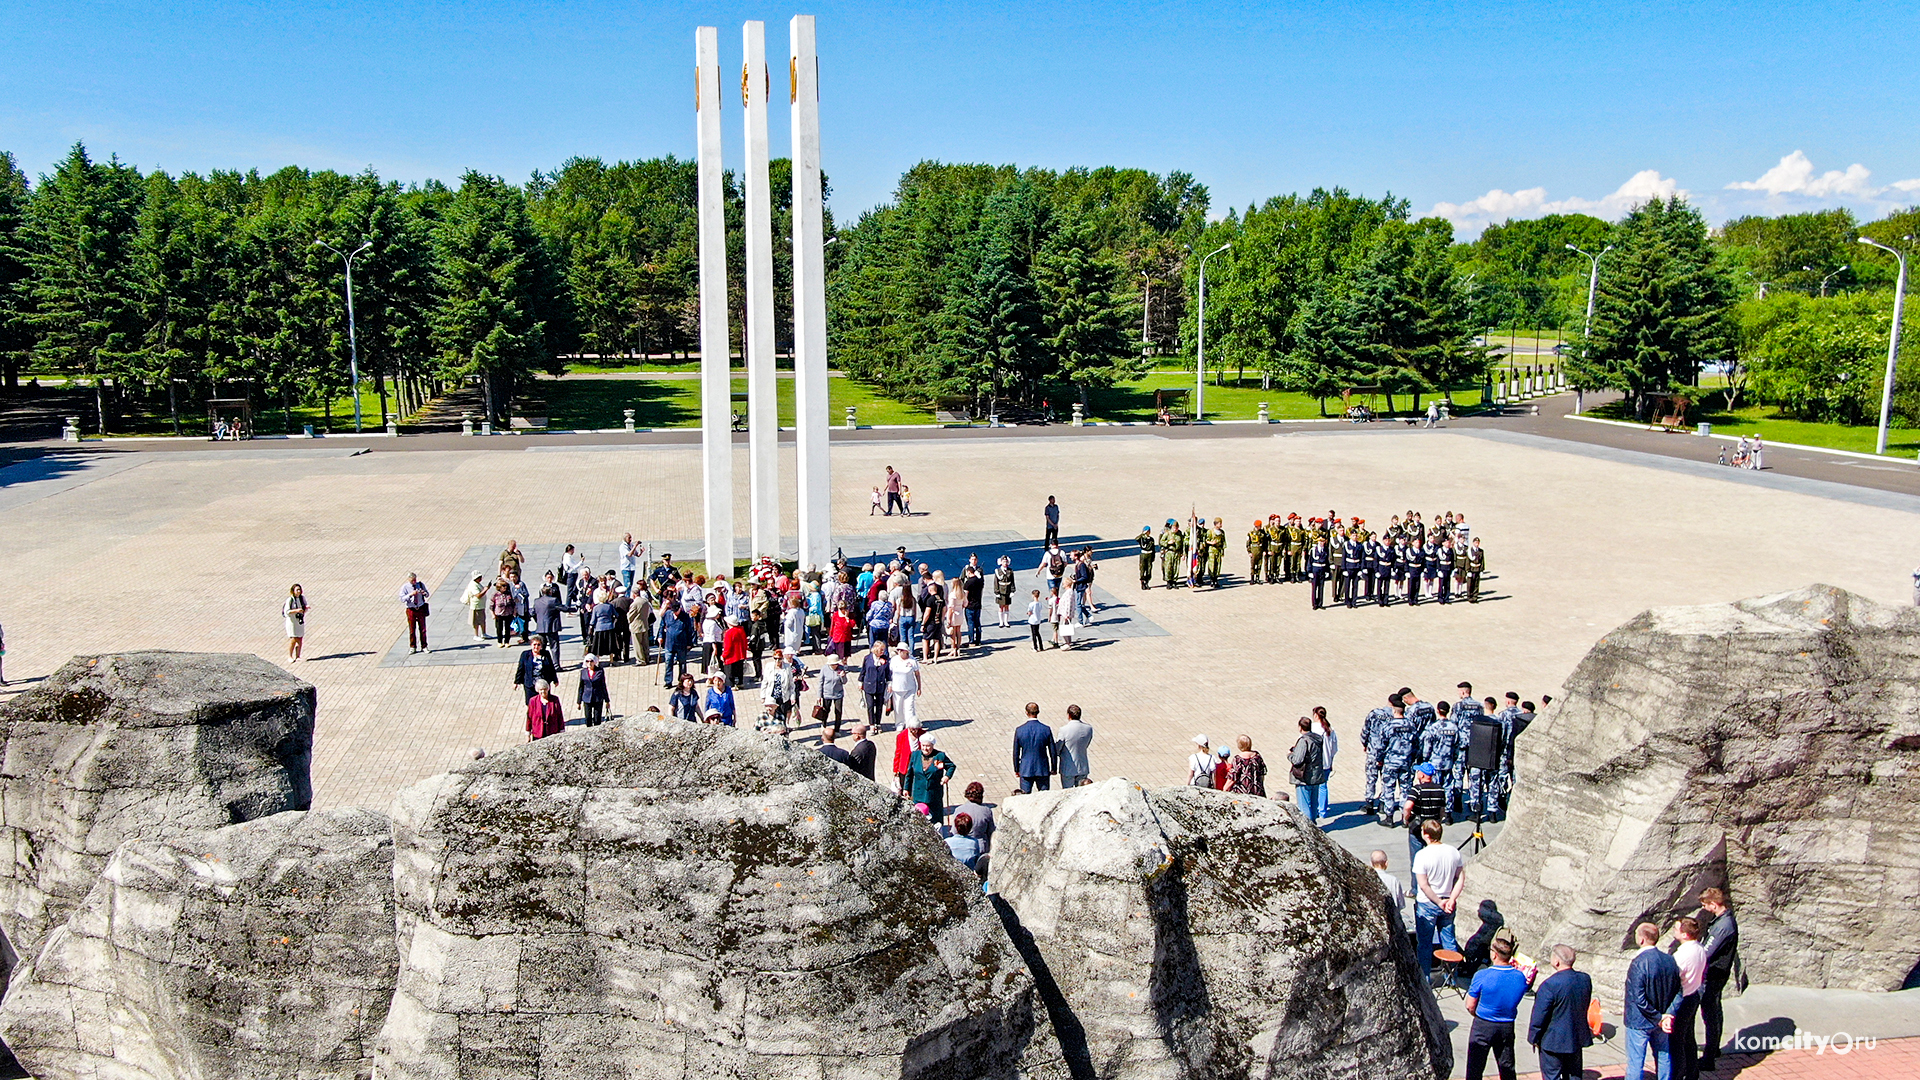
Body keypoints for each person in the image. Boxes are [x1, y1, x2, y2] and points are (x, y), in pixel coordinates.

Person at [1465, 937, 1530, 1080]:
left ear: (1494, 954)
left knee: (1474, 1068)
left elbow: (1470, 1004)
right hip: (1506, 1025)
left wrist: (1475, 1013)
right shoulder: (1520, 977)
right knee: (1507, 1067)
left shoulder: (1482, 975)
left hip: (1483, 1024)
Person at [1625, 921, 1682, 1080]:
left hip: (1640, 1021)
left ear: (1642, 940)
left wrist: (1657, 1017)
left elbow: (1638, 998)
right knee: (1663, 1055)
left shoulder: (1638, 963)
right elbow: (1679, 991)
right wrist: (1667, 1014)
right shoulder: (1669, 960)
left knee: (1636, 1061)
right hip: (1662, 1018)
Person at [1528, 944, 1594, 1080]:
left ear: (1556, 961)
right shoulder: (1585, 979)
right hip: (1575, 1038)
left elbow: (1539, 1016)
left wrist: (1534, 1037)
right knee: (1574, 1075)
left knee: (1552, 1076)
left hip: (1553, 1042)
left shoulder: (1550, 985)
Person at [1412, 818, 1464, 981]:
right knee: (1449, 940)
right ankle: (1452, 977)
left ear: (1426, 834)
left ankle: (1424, 979)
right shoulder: (1453, 852)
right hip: (1448, 901)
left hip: (1428, 903)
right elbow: (1460, 878)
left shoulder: (1422, 855)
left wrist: (1438, 901)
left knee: (1425, 944)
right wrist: (1451, 899)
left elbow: (1424, 885)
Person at [1697, 888, 1738, 1072]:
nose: (1705, 909)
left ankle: (1709, 1057)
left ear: (1714, 904)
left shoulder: (1723, 926)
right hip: (1718, 973)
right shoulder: (1723, 920)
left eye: (1706, 905)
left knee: (1710, 1014)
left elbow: (1707, 951)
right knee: (1715, 1010)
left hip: (1714, 975)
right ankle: (1714, 1048)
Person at [1668, 917, 1707, 1080]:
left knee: (1676, 1042)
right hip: (1693, 996)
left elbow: (1674, 979)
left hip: (1682, 1000)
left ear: (1684, 934)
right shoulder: (1700, 948)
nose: (1674, 931)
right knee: (1689, 1037)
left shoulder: (1681, 955)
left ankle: (1677, 1075)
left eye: (1676, 929)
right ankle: (1692, 1072)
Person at [1404, 764, 1450, 865]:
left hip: (1417, 827)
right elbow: (1442, 809)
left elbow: (1408, 806)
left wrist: (1406, 818)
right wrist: (1438, 821)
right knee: (1433, 859)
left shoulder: (1417, 789)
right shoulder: (1440, 790)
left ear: (1422, 775)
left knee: (1417, 862)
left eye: (1418, 772)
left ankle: (1417, 880)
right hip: (1432, 827)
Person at [908, 733, 957, 822]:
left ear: (932, 746)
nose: (925, 748)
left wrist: (947, 776)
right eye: (923, 745)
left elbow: (951, 766)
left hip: (934, 795)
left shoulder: (940, 756)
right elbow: (909, 774)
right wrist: (906, 789)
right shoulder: (915, 755)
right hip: (919, 795)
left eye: (928, 746)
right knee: (919, 820)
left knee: (935, 820)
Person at [1013, 703, 1057, 793]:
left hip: (1025, 769)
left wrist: (1017, 769)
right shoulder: (1046, 729)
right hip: (1042, 769)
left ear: (1026, 712)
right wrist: (1054, 768)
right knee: (1044, 796)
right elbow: (1052, 751)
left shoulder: (1020, 730)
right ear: (1038, 712)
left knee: (1025, 797)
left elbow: (1016, 752)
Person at [1287, 718, 1323, 819]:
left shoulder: (1304, 740)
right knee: (1313, 804)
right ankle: (1315, 825)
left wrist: (1290, 755)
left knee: (1304, 806)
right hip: (1316, 775)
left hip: (1305, 777)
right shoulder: (1318, 738)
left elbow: (1297, 760)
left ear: (1300, 727)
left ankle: (1309, 829)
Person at [951, 781, 995, 858]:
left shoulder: (958, 810)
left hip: (963, 848)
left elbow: (954, 831)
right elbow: (991, 832)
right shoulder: (986, 811)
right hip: (981, 848)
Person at [512, 635, 558, 704]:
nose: (536, 647)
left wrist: (555, 680)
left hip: (543, 685)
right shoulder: (525, 655)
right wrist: (516, 682)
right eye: (534, 644)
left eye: (538, 645)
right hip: (530, 685)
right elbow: (520, 669)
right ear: (531, 645)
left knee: (544, 703)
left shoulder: (546, 654)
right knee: (531, 704)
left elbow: (551, 668)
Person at [1056, 705, 1094, 788]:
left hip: (1067, 767)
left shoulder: (1064, 730)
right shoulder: (1088, 728)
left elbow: (1058, 748)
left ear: (1069, 715)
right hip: (1082, 766)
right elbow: (1087, 743)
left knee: (1067, 792)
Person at [888, 645, 920, 730]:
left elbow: (917, 674)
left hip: (910, 688)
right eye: (898, 650)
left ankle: (910, 725)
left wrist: (919, 687)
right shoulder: (894, 660)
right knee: (898, 707)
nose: (899, 652)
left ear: (906, 651)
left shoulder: (912, 661)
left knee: (909, 708)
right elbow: (889, 674)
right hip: (897, 688)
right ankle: (899, 724)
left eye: (902, 650)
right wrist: (889, 684)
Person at [1370, 850, 1407, 923]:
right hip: (1392, 919)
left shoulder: (1367, 879)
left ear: (1371, 864)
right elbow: (1401, 904)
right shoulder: (1394, 880)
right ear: (1386, 863)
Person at [400, 574, 430, 653]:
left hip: (420, 608)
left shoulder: (420, 584)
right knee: (412, 629)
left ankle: (424, 646)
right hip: (411, 609)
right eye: (412, 580)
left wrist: (423, 593)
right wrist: (410, 594)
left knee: (423, 629)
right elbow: (402, 599)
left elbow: (427, 594)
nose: (414, 582)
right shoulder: (405, 587)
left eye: (415, 580)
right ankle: (412, 646)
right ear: (409, 579)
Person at [577, 654, 609, 726]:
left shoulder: (600, 671)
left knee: (597, 719)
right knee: (588, 718)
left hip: (597, 697)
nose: (589, 663)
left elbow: (603, 685)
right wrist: (579, 701)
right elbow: (581, 687)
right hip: (587, 697)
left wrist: (607, 700)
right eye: (587, 661)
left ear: (594, 662)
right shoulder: (583, 672)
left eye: (591, 661)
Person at [283, 584, 308, 662]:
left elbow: (304, 607)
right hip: (292, 622)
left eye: (299, 590)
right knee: (293, 638)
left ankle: (298, 656)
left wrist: (305, 608)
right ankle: (290, 656)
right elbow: (287, 612)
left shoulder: (302, 598)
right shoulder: (290, 600)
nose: (299, 591)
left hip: (299, 621)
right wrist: (296, 610)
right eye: (297, 590)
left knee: (300, 638)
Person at [461, 573, 489, 641]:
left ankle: (483, 633)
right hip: (476, 606)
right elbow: (478, 595)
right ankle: (476, 635)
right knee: (476, 622)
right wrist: (486, 589)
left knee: (482, 620)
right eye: (479, 577)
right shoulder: (473, 585)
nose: (481, 578)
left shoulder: (477, 583)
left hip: (481, 605)